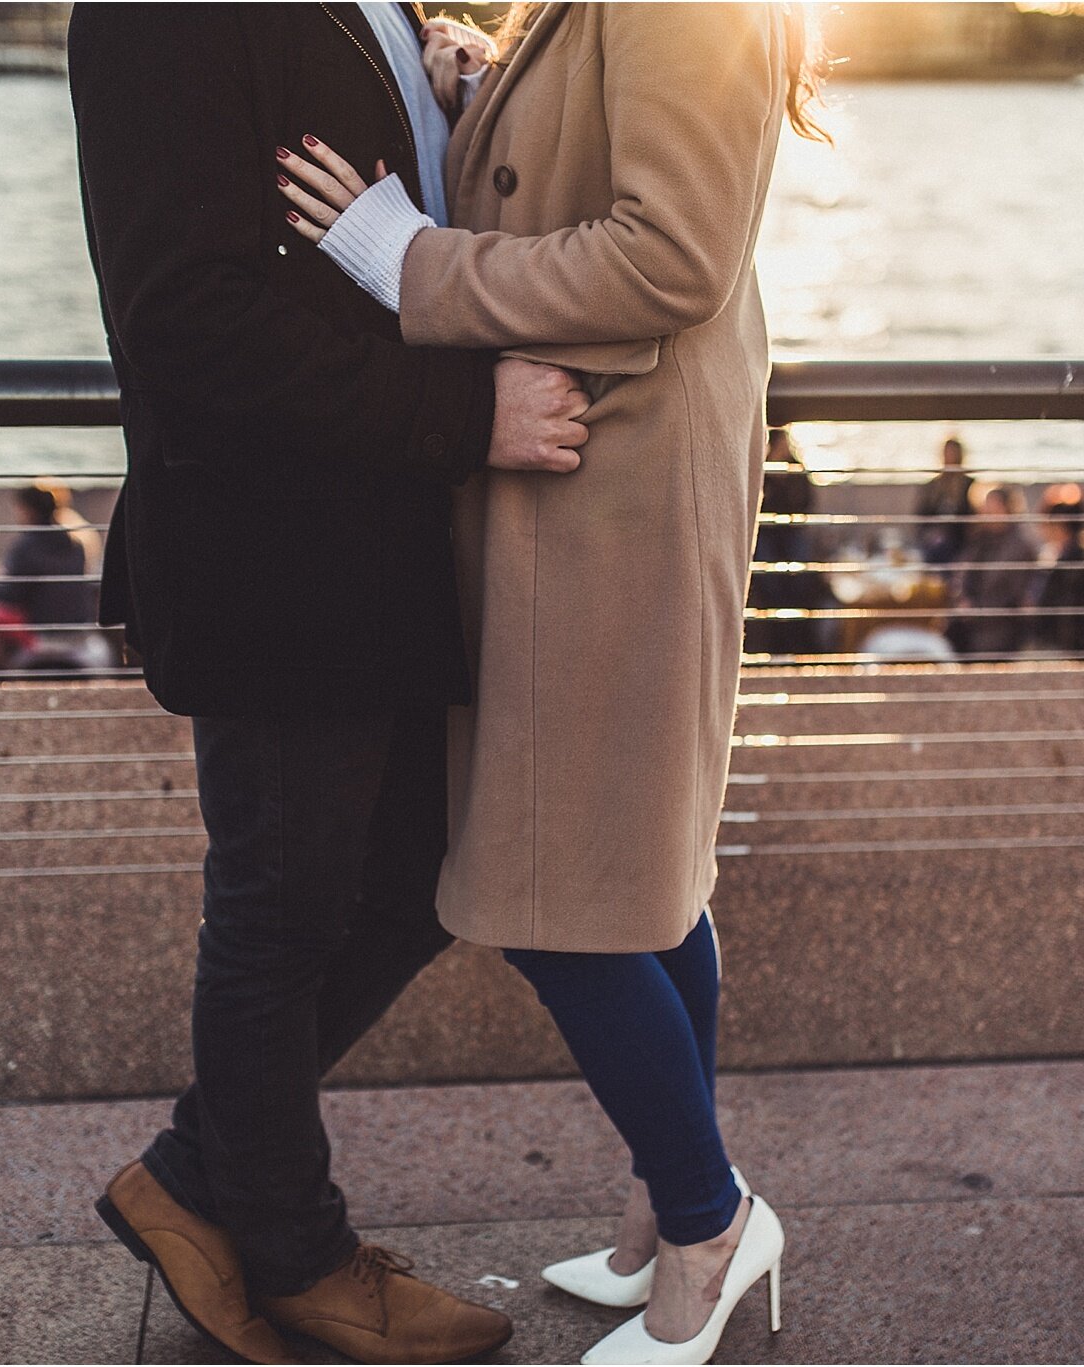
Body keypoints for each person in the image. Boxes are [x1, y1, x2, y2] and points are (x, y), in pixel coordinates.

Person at [278, 5, 822, 1359]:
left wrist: (408, 258)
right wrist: (488, 96)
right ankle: (673, 1192)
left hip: (617, 489)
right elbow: (589, 171)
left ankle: (706, 1219)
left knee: (550, 890)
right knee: (634, 868)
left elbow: (672, 254)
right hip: (597, 479)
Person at [68, 7, 593, 1363]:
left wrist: (461, 100)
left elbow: (384, 235)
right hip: (272, 552)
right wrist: (465, 419)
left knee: (421, 867)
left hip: (381, 546)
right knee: (283, 907)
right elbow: (184, 318)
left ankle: (199, 1173)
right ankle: (294, 1251)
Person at [0, 480, 108, 670]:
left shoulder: (26, 546)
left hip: (42, 634)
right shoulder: (76, 544)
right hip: (79, 631)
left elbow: (11, 594)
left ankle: (5, 674)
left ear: (28, 510)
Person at [744, 427, 831, 657]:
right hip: (768, 534)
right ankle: (779, 625)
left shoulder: (795, 469)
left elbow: (804, 501)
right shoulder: (763, 471)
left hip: (791, 532)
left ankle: (798, 625)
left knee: (801, 566)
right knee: (766, 570)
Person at [948, 482, 1038, 660]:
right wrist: (963, 599)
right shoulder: (980, 540)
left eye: (993, 509)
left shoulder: (1021, 547)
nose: (987, 514)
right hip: (972, 621)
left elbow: (1014, 595)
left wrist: (976, 611)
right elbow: (962, 575)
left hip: (1000, 628)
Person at [1029, 484, 1084, 654]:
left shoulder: (1071, 562)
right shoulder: (1076, 553)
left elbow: (1063, 616)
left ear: (1060, 523)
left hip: (1065, 650)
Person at [913, 436, 976, 565]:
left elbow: (971, 519)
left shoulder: (969, 485)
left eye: (953, 453)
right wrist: (931, 533)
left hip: (958, 543)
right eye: (947, 453)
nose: (949, 457)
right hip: (933, 543)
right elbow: (921, 515)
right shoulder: (933, 487)